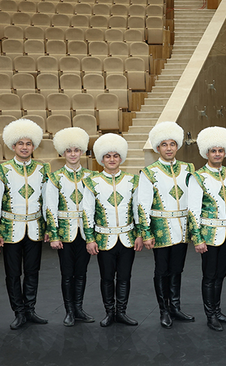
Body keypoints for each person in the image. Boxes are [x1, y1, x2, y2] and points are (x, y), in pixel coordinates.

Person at [138, 122, 195, 329]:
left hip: (182, 227)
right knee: (162, 270)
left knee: (177, 269)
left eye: (172, 144)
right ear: (157, 148)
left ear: (177, 146)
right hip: (160, 228)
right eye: (164, 144)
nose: (169, 148)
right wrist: (146, 232)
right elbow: (143, 204)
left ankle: (175, 307)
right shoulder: (149, 172)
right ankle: (164, 310)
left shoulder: (188, 168)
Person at [83, 134, 142, 327]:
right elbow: (87, 212)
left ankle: (122, 312)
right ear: (101, 159)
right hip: (104, 238)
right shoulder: (92, 181)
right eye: (107, 156)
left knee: (125, 277)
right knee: (107, 277)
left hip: (127, 237)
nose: (111, 159)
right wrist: (90, 239)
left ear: (121, 158)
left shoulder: (132, 180)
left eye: (115, 155)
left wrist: (140, 234)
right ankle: (109, 312)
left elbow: (137, 209)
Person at [187, 126, 226, 332]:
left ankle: (217, 311)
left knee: (221, 274)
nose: (217, 154)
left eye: (220, 150)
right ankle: (210, 315)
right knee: (209, 276)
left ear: (225, 151)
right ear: (206, 152)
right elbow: (192, 211)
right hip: (208, 235)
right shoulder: (198, 177)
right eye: (213, 151)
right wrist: (197, 238)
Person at [0, 119, 50, 330]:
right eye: (20, 143)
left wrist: (49, 227)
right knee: (13, 273)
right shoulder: (3, 169)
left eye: (28, 143)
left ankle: (30, 309)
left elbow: (48, 200)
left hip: (35, 228)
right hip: (11, 229)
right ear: (13, 146)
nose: (24, 147)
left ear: (34, 145)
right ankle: (18, 312)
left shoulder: (43, 168)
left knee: (32, 271)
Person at [44, 127, 94, 327]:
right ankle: (69, 311)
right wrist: (54, 234)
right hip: (64, 232)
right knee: (67, 273)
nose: (73, 154)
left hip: (85, 232)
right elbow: (50, 207)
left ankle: (79, 308)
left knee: (81, 272)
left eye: (76, 150)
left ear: (82, 151)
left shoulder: (91, 176)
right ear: (63, 153)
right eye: (69, 150)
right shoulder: (55, 177)